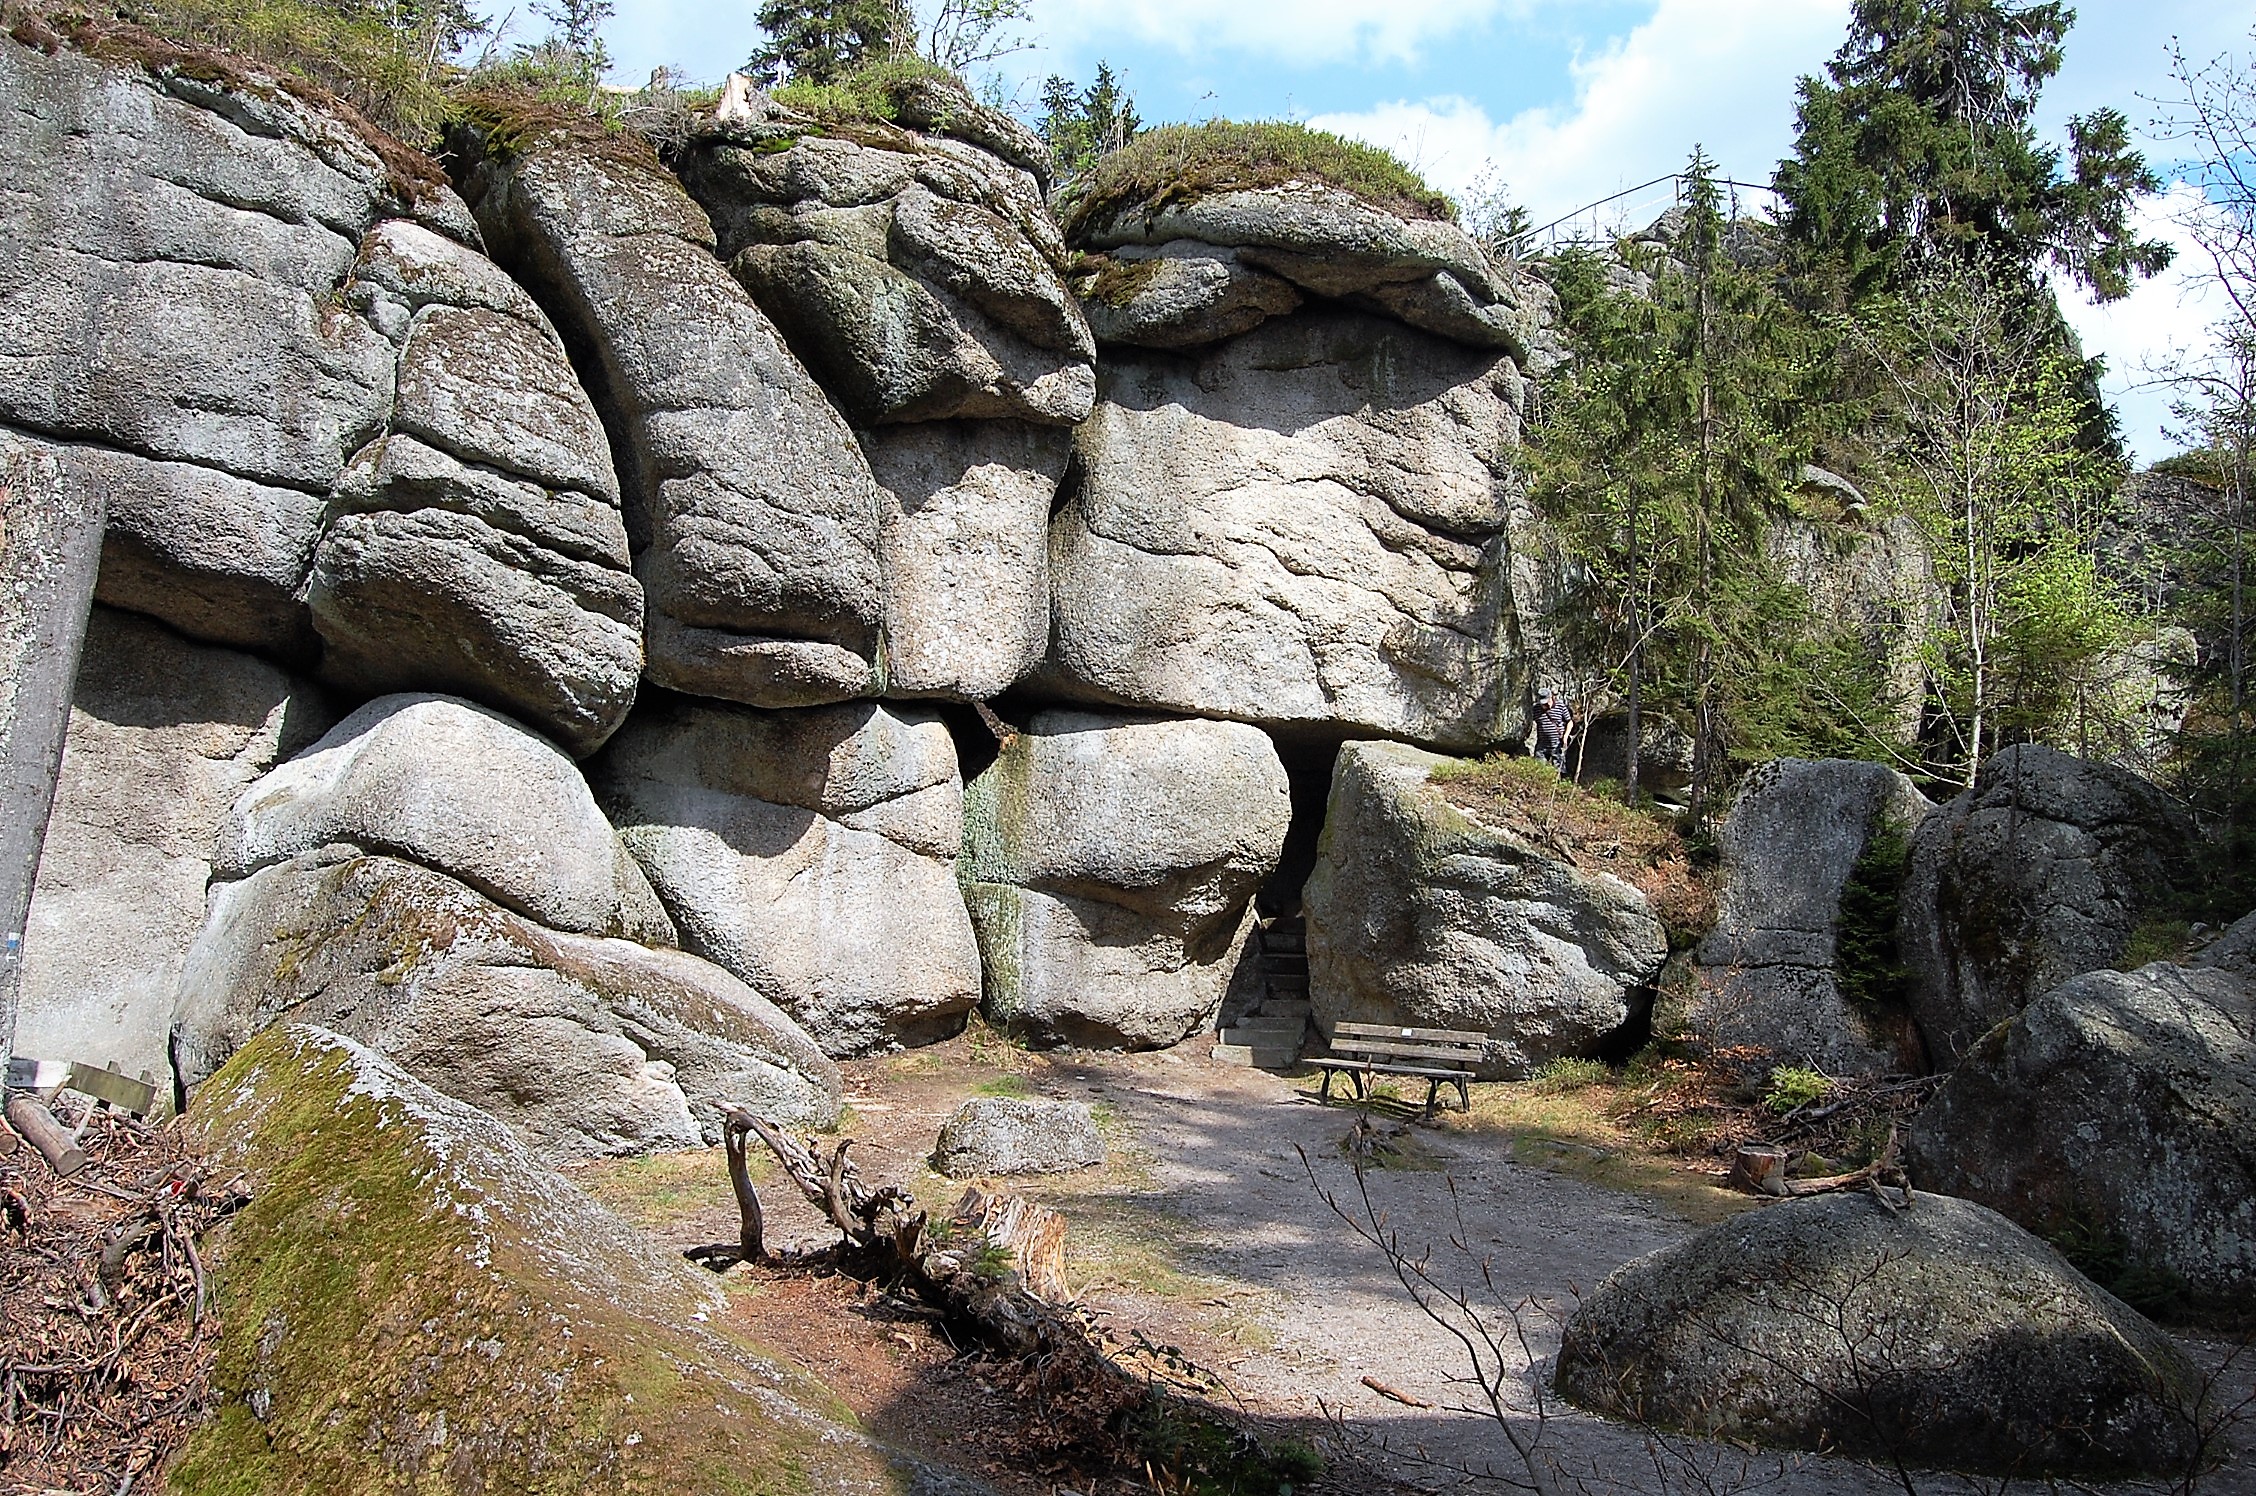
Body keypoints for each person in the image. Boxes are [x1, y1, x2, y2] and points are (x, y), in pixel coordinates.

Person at [1534, 690, 1573, 773]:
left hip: (1557, 743)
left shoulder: (1560, 706)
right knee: (1539, 769)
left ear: (1551, 697)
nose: (1545, 705)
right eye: (1543, 704)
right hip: (1542, 744)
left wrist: (1565, 736)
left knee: (1559, 770)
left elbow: (1570, 722)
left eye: (1547, 702)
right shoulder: (1536, 709)